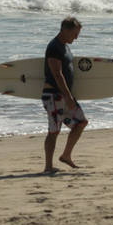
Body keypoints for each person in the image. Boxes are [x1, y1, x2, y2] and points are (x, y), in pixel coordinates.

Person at [42, 16, 88, 171]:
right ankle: (49, 166)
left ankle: (65, 156)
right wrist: (68, 96)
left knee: (80, 123)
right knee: (54, 131)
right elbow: (57, 74)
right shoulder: (54, 47)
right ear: (65, 30)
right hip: (55, 95)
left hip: (60, 95)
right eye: (75, 33)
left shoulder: (64, 46)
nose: (76, 37)